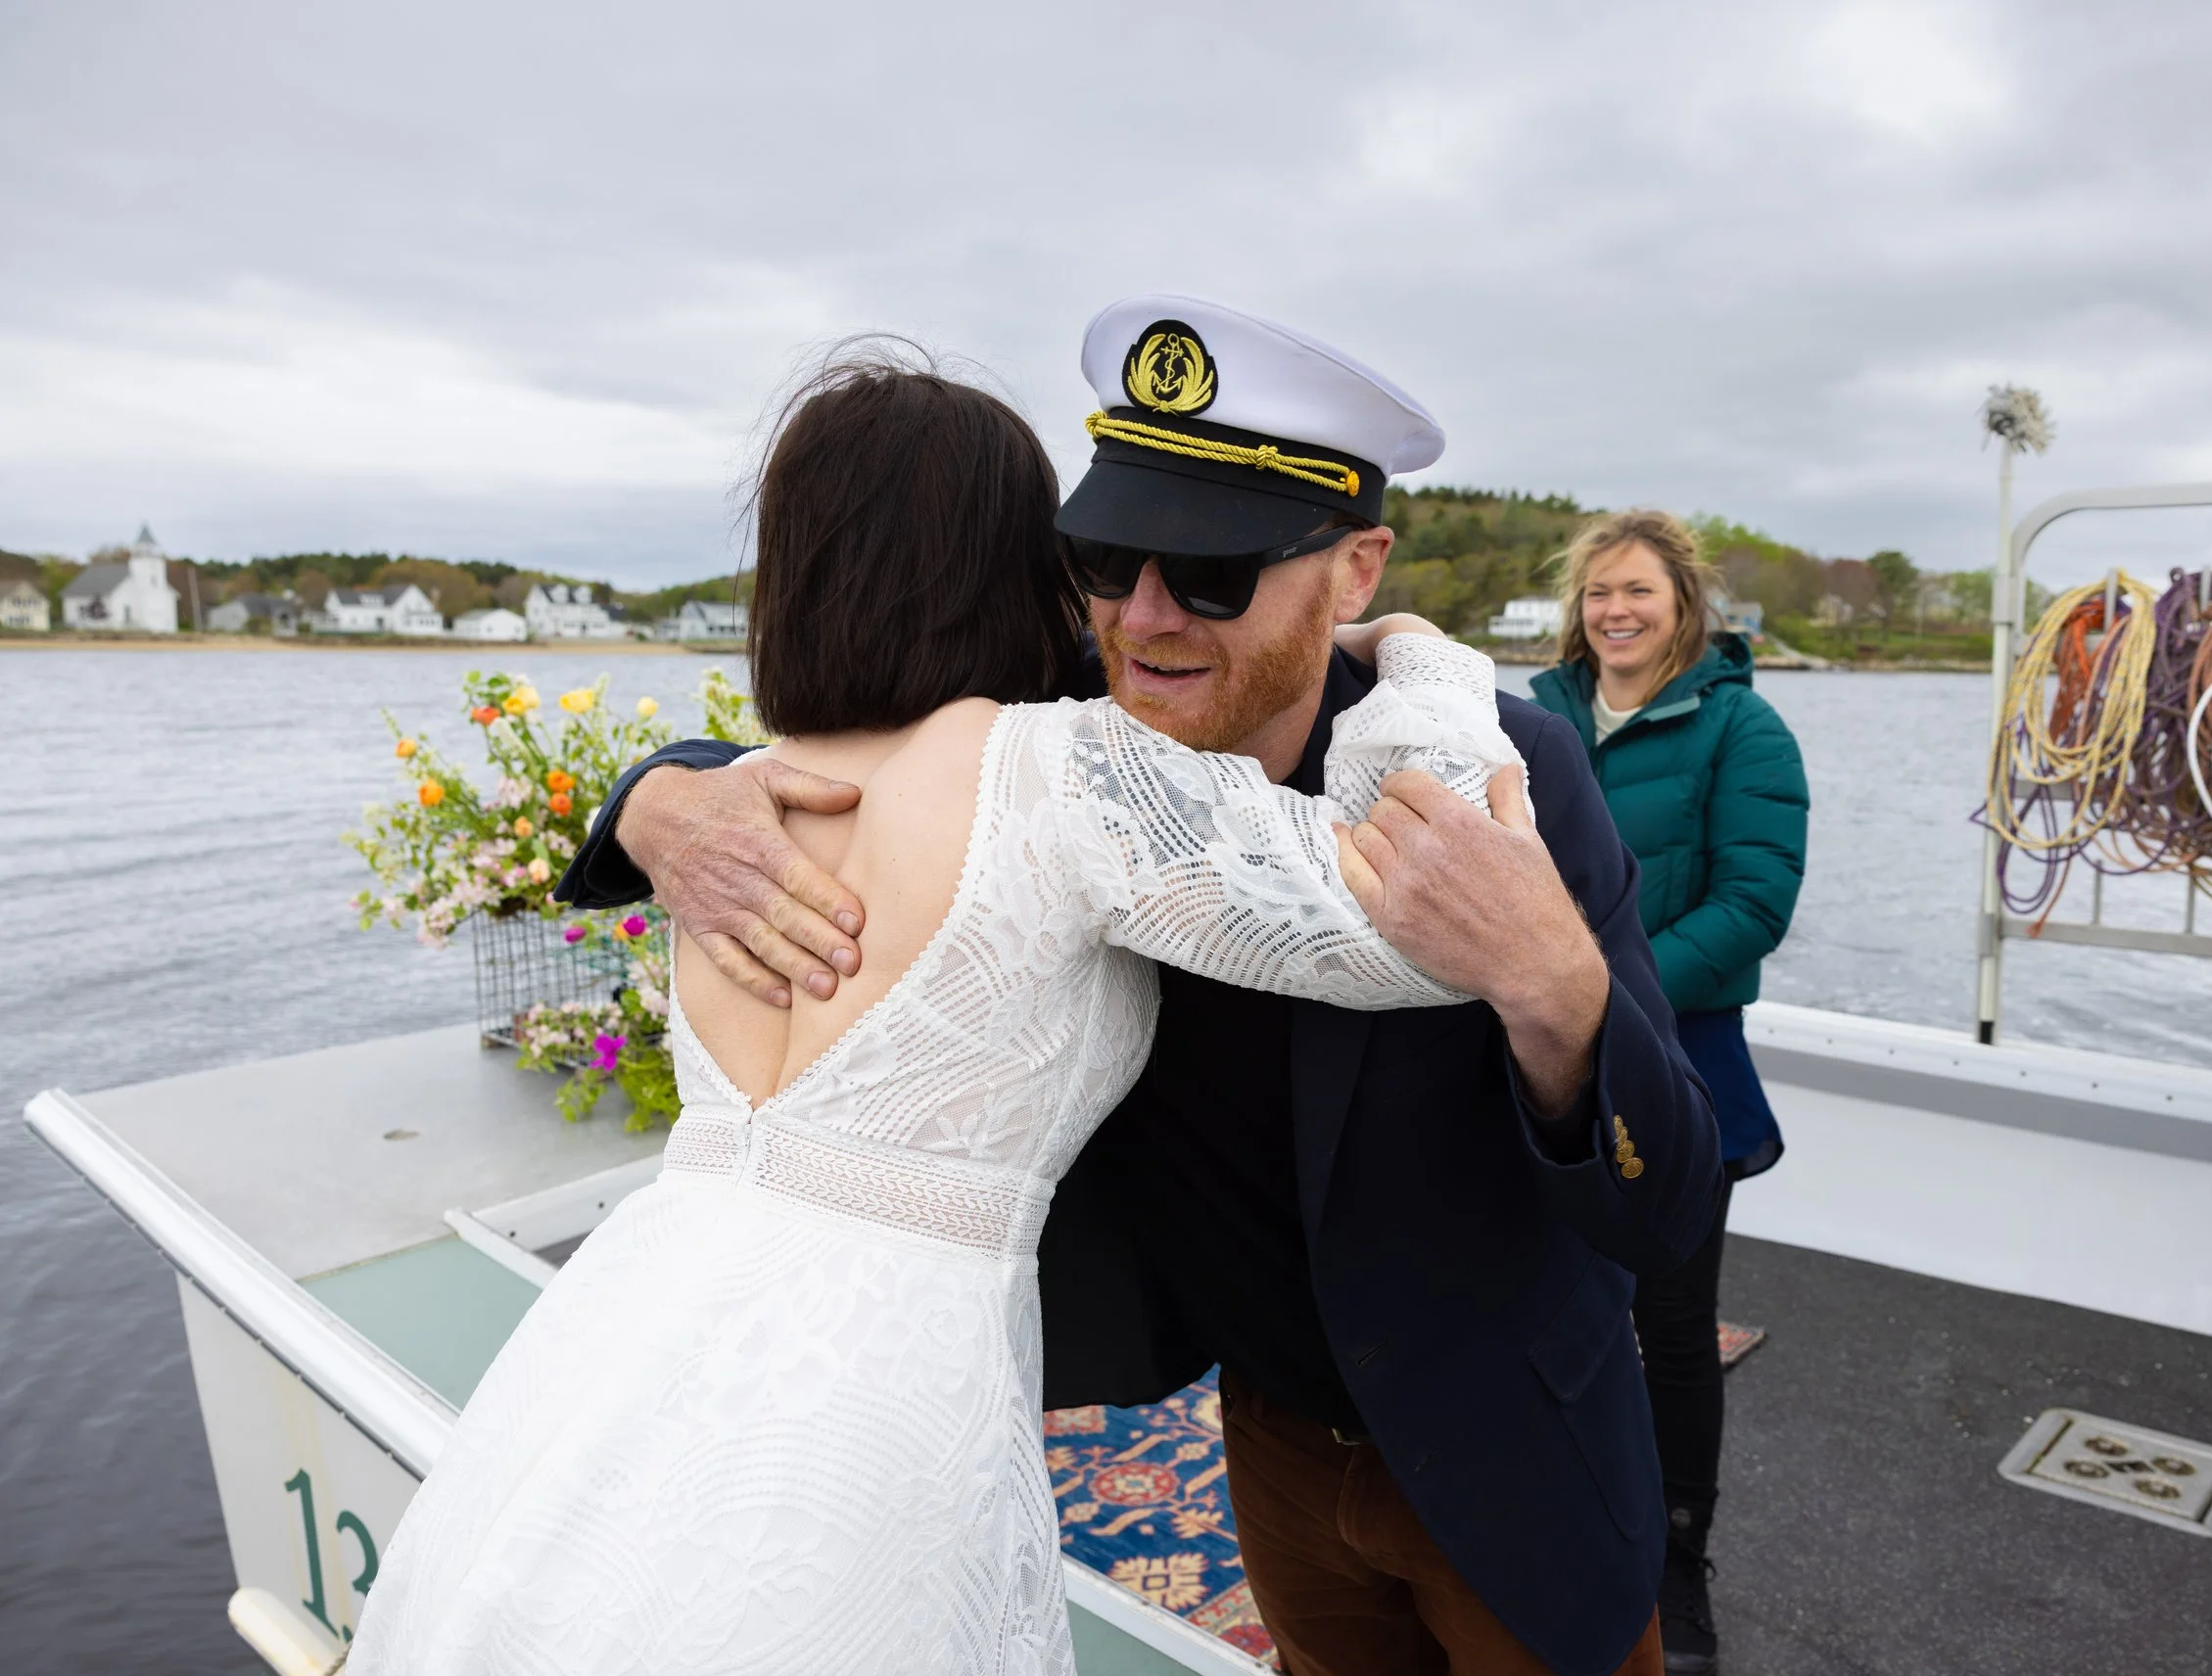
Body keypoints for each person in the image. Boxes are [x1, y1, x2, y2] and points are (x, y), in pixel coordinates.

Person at [573, 297, 1722, 1676]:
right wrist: (665, 796)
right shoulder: (1071, 741)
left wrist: (1552, 985)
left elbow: (1671, 1199)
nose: (1145, 618)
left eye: (1216, 574)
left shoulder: (1509, 771)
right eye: (1106, 562)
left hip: (1510, 1449)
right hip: (1272, 1440)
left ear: (1356, 570)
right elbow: (862, 721)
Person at [347, 345, 1522, 1675]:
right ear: (1011, 559)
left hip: (623, 1345)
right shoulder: (1059, 771)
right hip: (878, 1398)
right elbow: (1423, 908)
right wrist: (1423, 658)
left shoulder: (741, 806)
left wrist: (647, 796)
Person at [1529, 511, 1809, 1676]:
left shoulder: (1743, 727)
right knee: (1540, 1316)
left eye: (1636, 589)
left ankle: (1675, 1573)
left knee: (1671, 1333)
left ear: (1682, 601)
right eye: (1597, 592)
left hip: (1677, 1074)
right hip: (1530, 1063)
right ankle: (1546, 1539)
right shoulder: (1530, 717)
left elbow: (1753, 906)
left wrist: (1605, 997)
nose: (1614, 611)